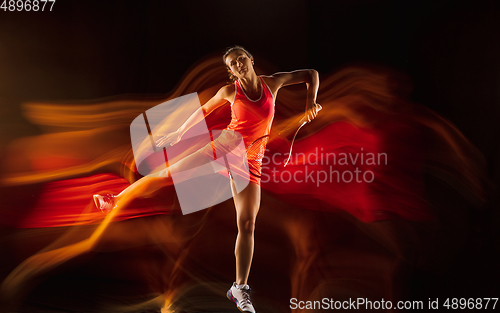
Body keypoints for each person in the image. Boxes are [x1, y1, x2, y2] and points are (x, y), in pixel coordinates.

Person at [94, 46, 320, 313]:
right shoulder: (230, 92)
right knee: (167, 174)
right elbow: (204, 110)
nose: (238, 65)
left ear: (250, 60)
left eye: (240, 59)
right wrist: (179, 133)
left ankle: (239, 289)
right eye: (232, 64)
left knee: (247, 224)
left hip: (251, 162)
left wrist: (311, 104)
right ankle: (116, 199)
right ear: (231, 71)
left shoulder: (272, 83)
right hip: (224, 148)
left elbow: (311, 74)